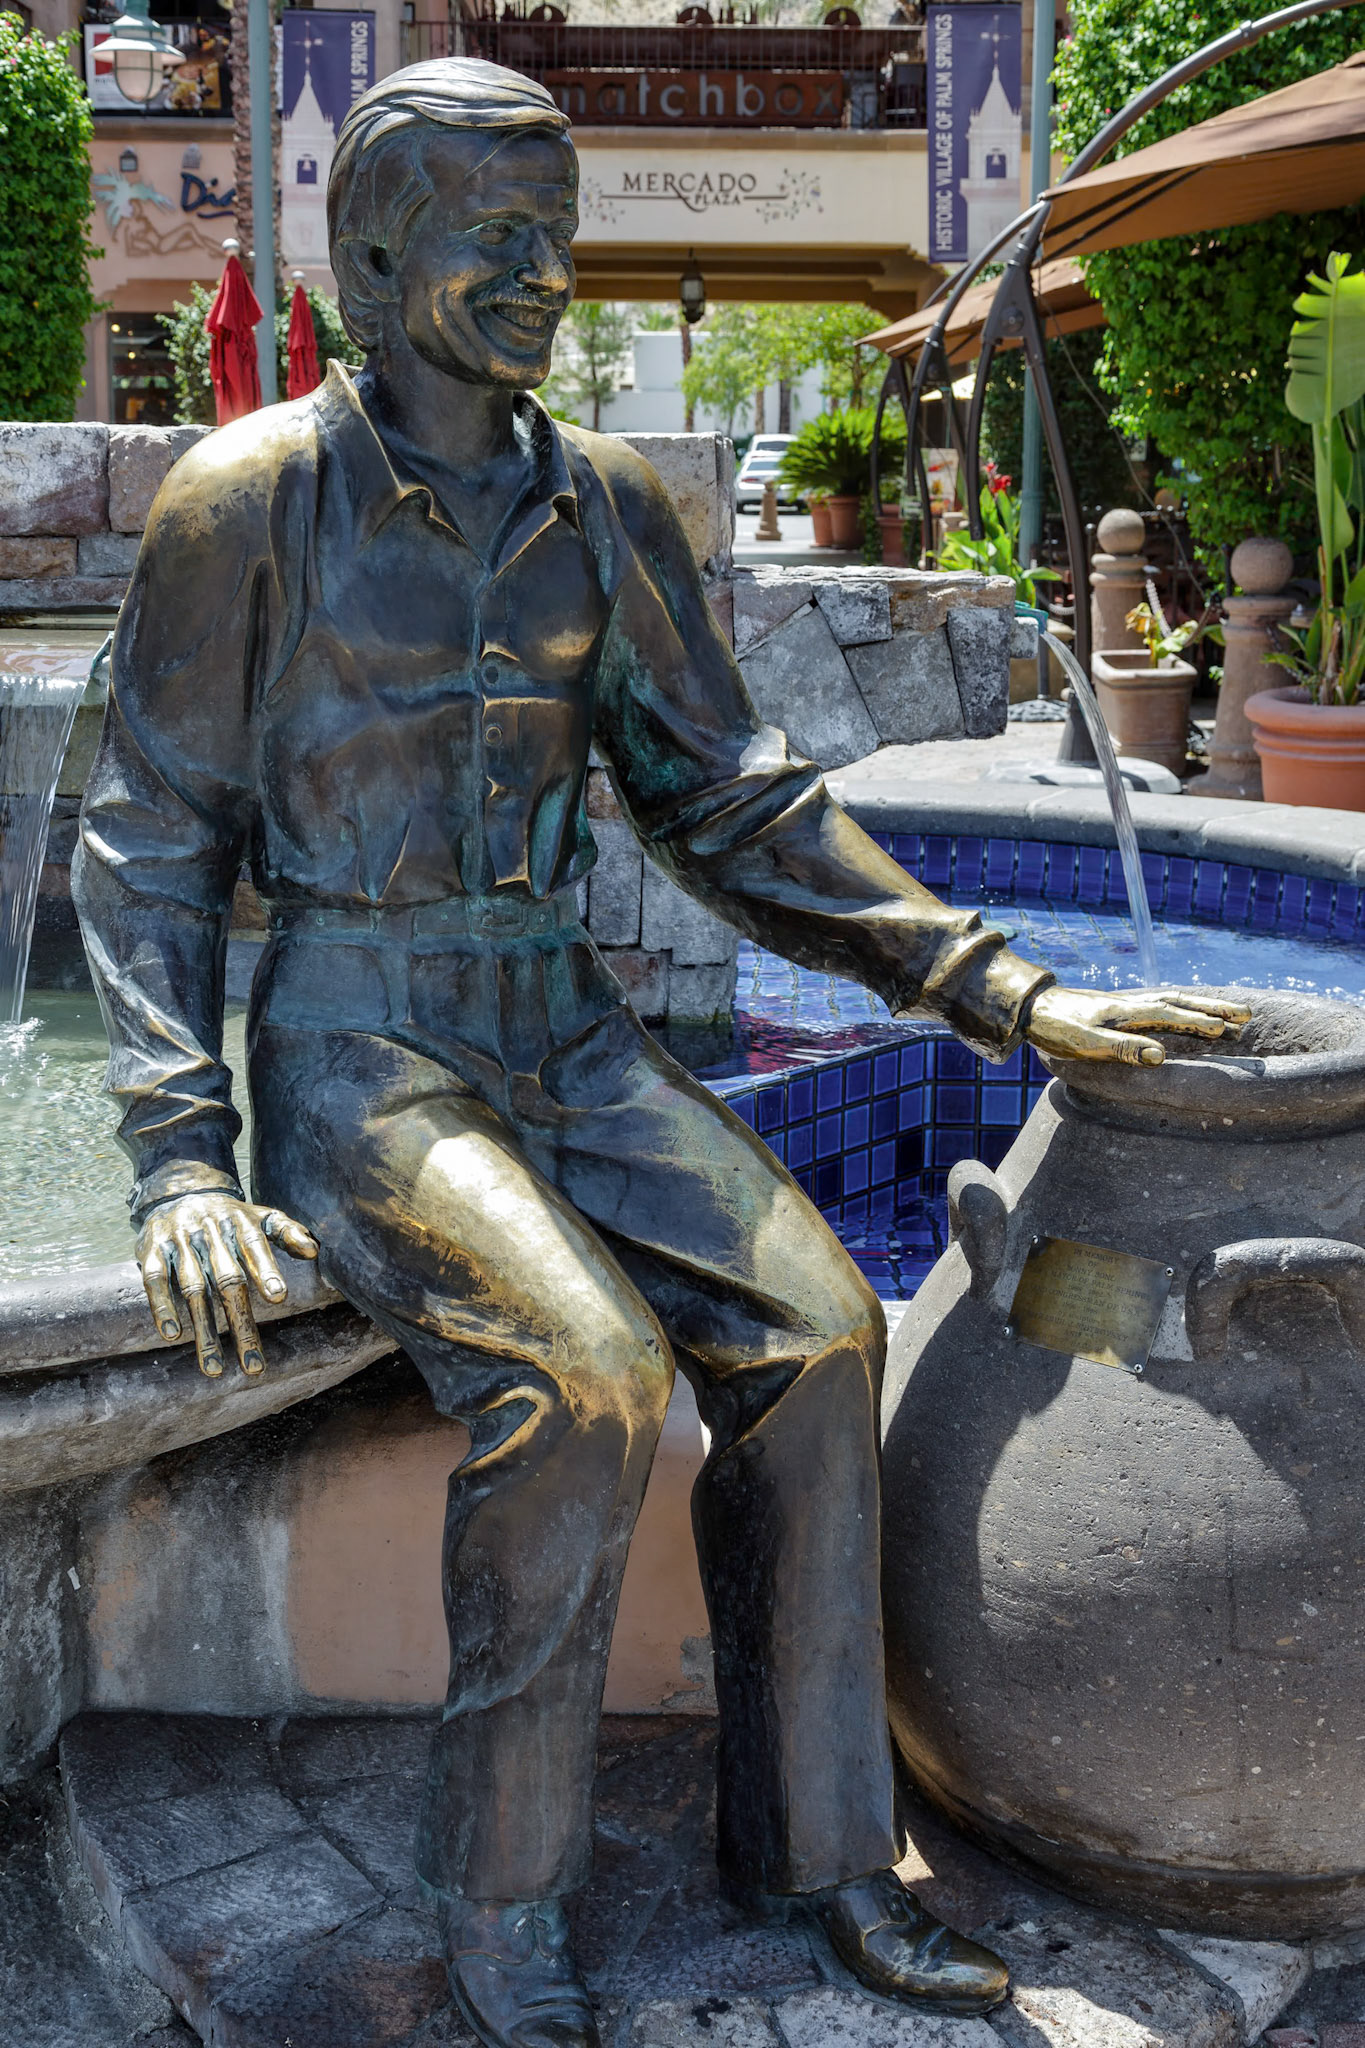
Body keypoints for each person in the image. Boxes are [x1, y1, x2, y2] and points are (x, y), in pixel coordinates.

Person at [72, 58, 1244, 2048]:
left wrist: (1004, 993)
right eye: (498, 235)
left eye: (560, 231)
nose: (550, 270)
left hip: (561, 1020)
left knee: (818, 1331)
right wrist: (181, 1150)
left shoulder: (602, 506)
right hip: (359, 1037)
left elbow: (733, 800)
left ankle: (814, 1858)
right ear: (377, 263)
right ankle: (498, 1890)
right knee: (589, 1378)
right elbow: (150, 830)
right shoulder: (246, 499)